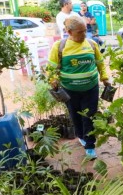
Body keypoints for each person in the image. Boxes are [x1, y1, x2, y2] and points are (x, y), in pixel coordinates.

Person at [47, 16, 110, 160]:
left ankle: (90, 145)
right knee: (75, 115)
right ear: (69, 32)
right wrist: (53, 79)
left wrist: (104, 77)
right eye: (80, 32)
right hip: (70, 90)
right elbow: (50, 68)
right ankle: (81, 135)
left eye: (85, 31)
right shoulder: (60, 46)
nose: (84, 34)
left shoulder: (91, 44)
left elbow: (100, 63)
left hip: (91, 88)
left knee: (89, 116)